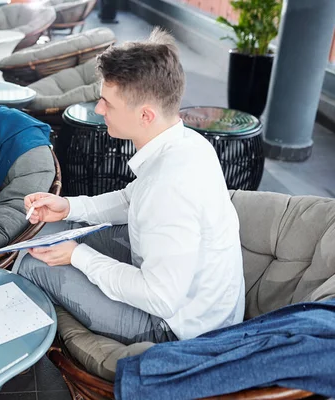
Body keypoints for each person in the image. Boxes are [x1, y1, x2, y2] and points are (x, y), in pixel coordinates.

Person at [16, 28, 245, 345]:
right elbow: (132, 198)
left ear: (146, 115)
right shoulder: (187, 142)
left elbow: (160, 298)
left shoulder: (170, 188)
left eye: (107, 103)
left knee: (32, 262)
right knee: (45, 232)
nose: (98, 109)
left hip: (176, 329)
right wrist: (69, 206)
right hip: (186, 295)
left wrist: (79, 256)